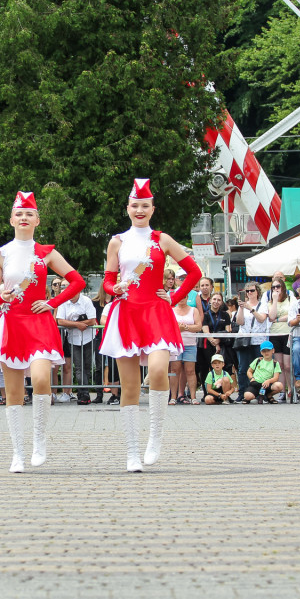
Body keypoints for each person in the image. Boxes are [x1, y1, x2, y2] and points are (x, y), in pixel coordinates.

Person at [100, 179, 201, 471]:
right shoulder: (117, 241)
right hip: (127, 313)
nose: (140, 210)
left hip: (157, 311)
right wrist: (115, 287)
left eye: (145, 205)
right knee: (129, 386)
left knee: (158, 370)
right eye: (135, 205)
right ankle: (132, 452)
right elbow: (108, 279)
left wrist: (174, 297)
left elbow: (193, 271)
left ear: (153, 208)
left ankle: (155, 436)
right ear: (128, 208)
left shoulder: (162, 239)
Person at [0, 190, 86, 472]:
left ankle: (39, 441)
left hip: (39, 323)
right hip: (12, 324)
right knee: (13, 392)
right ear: (11, 219)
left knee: (42, 379)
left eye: (29, 214)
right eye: (19, 213)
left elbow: (76, 281)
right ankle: (18, 452)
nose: (24, 218)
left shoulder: (46, 252)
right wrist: (1, 298)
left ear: (37, 220)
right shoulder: (0, 254)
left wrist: (52, 303)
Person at [56, 281, 98, 404]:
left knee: (87, 367)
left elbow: (92, 320)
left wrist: (77, 322)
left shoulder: (86, 301)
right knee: (79, 367)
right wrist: (77, 324)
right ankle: (83, 394)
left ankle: (84, 391)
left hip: (88, 338)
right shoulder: (64, 302)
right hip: (73, 339)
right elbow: (60, 321)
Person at [234, 283, 269, 403]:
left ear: (257, 292)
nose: (249, 293)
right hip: (244, 339)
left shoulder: (263, 305)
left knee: (260, 368)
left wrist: (251, 308)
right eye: (247, 291)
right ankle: (242, 392)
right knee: (243, 368)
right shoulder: (242, 306)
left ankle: (261, 394)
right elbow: (239, 322)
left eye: (252, 290)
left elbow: (262, 318)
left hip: (258, 340)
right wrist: (242, 308)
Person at [170, 293, 202, 404]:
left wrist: (186, 327)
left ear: (187, 298)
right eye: (179, 297)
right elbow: (169, 326)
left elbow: (198, 326)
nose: (181, 299)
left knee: (190, 371)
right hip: (176, 344)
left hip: (190, 344)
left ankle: (193, 397)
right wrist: (178, 328)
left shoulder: (194, 310)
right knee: (174, 370)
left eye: (183, 297)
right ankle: (173, 397)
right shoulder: (172, 310)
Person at [266, 277, 293, 400]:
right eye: (273, 287)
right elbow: (271, 317)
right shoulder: (270, 302)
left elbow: (291, 315)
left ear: (283, 287)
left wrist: (278, 319)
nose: (276, 289)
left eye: (278, 287)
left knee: (288, 365)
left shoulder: (290, 299)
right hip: (275, 334)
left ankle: (291, 389)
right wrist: (275, 300)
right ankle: (282, 390)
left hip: (287, 333)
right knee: (280, 364)